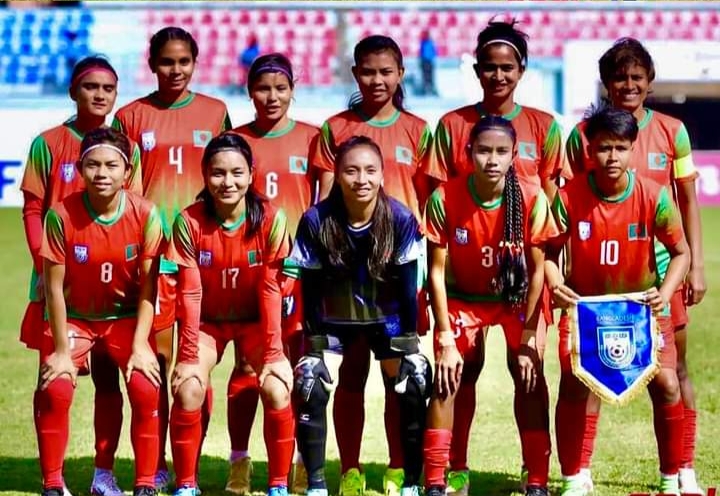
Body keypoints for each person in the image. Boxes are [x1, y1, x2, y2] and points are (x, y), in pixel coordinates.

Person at [425, 20, 568, 495]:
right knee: (457, 374)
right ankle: (451, 471)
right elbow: (440, 202)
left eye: (508, 67)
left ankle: (536, 476)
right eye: (490, 66)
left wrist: (549, 271)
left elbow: (549, 210)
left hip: (519, 286)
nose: (499, 75)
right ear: (477, 70)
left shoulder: (544, 128)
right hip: (464, 281)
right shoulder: (451, 126)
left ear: (522, 70)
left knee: (527, 371)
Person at [564, 38, 706, 494]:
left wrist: (695, 265)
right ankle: (579, 472)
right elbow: (575, 204)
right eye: (619, 78)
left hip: (660, 275)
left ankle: (683, 468)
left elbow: (688, 201)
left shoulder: (672, 131)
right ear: (606, 84)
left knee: (673, 372)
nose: (628, 85)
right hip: (598, 278)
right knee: (589, 370)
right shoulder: (583, 135)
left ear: (649, 81)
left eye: (636, 78)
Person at [310, 35, 435, 496]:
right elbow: (324, 201)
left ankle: (399, 468)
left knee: (399, 373)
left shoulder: (419, 130)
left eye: (386, 71)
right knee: (351, 374)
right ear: (354, 74)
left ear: (401, 74)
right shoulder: (334, 129)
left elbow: (426, 205)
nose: (377, 80)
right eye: (367, 71)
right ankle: (350, 469)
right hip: (346, 270)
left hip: (398, 271)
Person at [548, 106, 690, 496]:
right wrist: (556, 281)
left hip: (640, 307)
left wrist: (664, 293)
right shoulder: (569, 196)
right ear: (590, 150)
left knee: (667, 384)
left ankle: (670, 479)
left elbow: (681, 253)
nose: (612, 157)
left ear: (632, 148)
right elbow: (548, 253)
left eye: (621, 148)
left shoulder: (655, 195)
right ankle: (573, 479)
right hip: (586, 309)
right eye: (604, 148)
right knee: (573, 384)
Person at [113, 26, 232, 489]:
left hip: (205, 258)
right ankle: (159, 462)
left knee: (196, 366)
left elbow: (229, 177)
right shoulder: (130, 117)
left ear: (195, 63)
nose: (175, 69)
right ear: (152, 64)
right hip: (156, 261)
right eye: (167, 61)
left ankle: (190, 464)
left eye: (184, 61)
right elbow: (125, 194)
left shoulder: (215, 112)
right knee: (160, 366)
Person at [20, 55, 142, 496]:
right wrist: (44, 261)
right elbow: (33, 208)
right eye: (91, 86)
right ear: (73, 91)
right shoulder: (47, 143)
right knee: (54, 379)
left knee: (110, 380)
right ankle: (52, 480)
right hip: (58, 282)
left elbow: (132, 209)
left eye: (108, 88)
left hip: (110, 287)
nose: (100, 95)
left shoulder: (125, 147)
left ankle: (103, 475)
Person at [291, 136, 430, 496]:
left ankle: (406, 478)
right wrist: (313, 346)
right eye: (351, 171)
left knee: (412, 382)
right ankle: (326, 481)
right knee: (310, 382)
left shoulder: (400, 218)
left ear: (383, 175)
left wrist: (410, 343)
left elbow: (408, 287)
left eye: (370, 171)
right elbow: (310, 288)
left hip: (389, 319)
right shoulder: (315, 220)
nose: (361, 179)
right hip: (336, 320)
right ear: (337, 175)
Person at [35, 128, 164, 496]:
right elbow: (54, 288)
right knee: (56, 386)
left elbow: (149, 288)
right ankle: (53, 483)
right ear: (80, 169)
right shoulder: (61, 215)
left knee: (145, 386)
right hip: (76, 318)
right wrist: (62, 351)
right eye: (92, 165)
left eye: (111, 165)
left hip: (124, 317)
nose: (102, 173)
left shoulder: (146, 213)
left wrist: (140, 344)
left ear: (127, 171)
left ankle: (140, 482)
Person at [167, 132, 294, 496]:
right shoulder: (189, 221)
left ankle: (278, 485)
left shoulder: (271, 219)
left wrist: (274, 355)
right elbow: (190, 291)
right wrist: (187, 356)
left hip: (255, 322)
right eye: (218, 173)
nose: (228, 182)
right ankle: (186, 485)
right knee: (189, 389)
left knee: (276, 387)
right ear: (205, 174)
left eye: (237, 173)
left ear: (251, 174)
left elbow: (271, 289)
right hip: (208, 324)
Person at [228, 53, 319, 495]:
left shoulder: (313, 138)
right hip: (250, 268)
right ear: (250, 92)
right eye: (263, 88)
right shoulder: (235, 140)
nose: (272, 96)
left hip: (298, 271)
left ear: (293, 91)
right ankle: (239, 461)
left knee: (298, 367)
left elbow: (322, 204)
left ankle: (297, 463)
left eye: (280, 88)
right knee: (247, 363)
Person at [418, 30, 437, 96]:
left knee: (430, 76)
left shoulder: (429, 42)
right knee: (425, 76)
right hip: (425, 61)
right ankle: (425, 90)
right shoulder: (424, 42)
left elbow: (433, 52)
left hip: (428, 61)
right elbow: (421, 53)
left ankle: (430, 89)